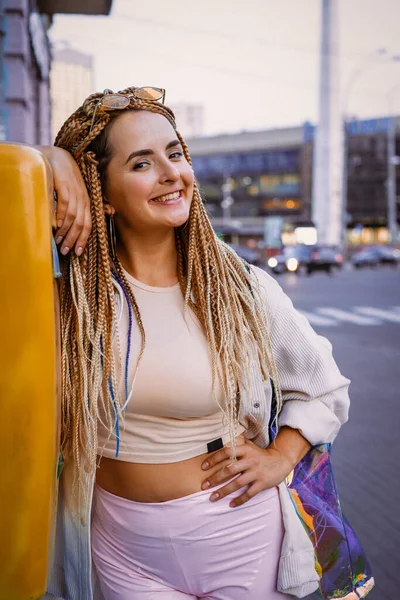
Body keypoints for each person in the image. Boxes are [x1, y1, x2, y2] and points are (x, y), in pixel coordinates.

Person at [41, 86, 350, 600]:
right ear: (101, 192)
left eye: (176, 154)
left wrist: (281, 456)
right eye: (142, 163)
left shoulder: (237, 287)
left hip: (237, 536)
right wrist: (50, 159)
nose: (172, 174)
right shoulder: (73, 292)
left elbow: (323, 385)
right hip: (120, 549)